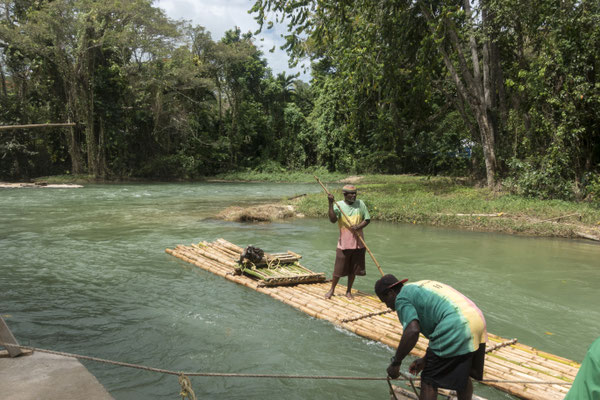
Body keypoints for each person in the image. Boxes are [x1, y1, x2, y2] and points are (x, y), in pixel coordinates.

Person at [374, 274, 487, 400]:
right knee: (463, 375)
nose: (388, 307)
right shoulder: (418, 286)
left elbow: (412, 330)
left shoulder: (401, 298)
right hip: (477, 319)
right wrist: (425, 359)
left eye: (385, 301)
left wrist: (396, 362)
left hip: (456, 324)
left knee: (429, 381)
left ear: (390, 293)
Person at [324, 184, 370, 299]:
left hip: (359, 243)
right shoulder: (338, 205)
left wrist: (358, 226)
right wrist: (330, 203)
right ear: (345, 194)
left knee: (353, 270)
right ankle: (332, 289)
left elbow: (367, 219)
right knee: (338, 270)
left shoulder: (360, 204)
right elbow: (333, 220)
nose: (354, 195)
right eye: (351, 194)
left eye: (355, 193)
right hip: (344, 243)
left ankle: (348, 291)